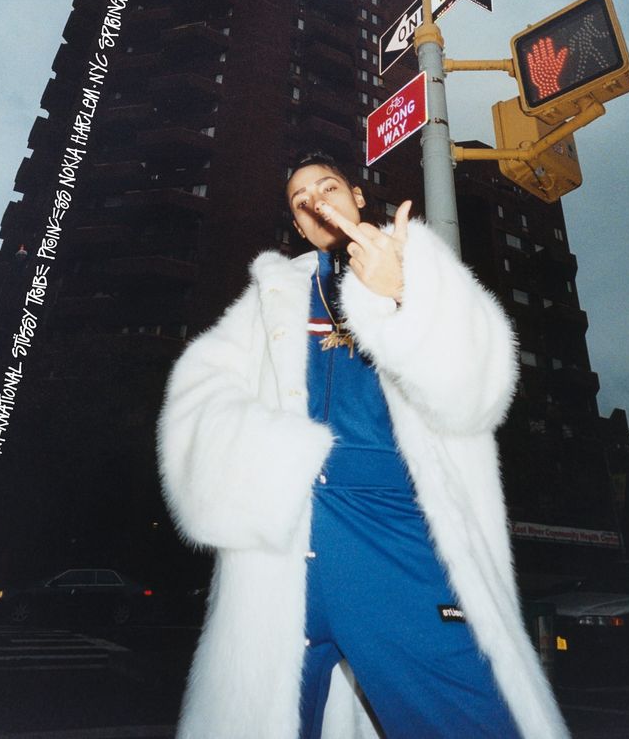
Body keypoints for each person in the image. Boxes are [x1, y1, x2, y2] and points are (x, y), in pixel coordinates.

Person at [157, 152, 570, 739]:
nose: (315, 199)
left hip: (392, 523)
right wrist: (268, 462)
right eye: (301, 200)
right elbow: (198, 393)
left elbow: (478, 392)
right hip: (284, 541)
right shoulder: (270, 297)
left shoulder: (417, 261)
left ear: (356, 197)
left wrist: (401, 294)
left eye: (326, 186)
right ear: (299, 227)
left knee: (466, 714)